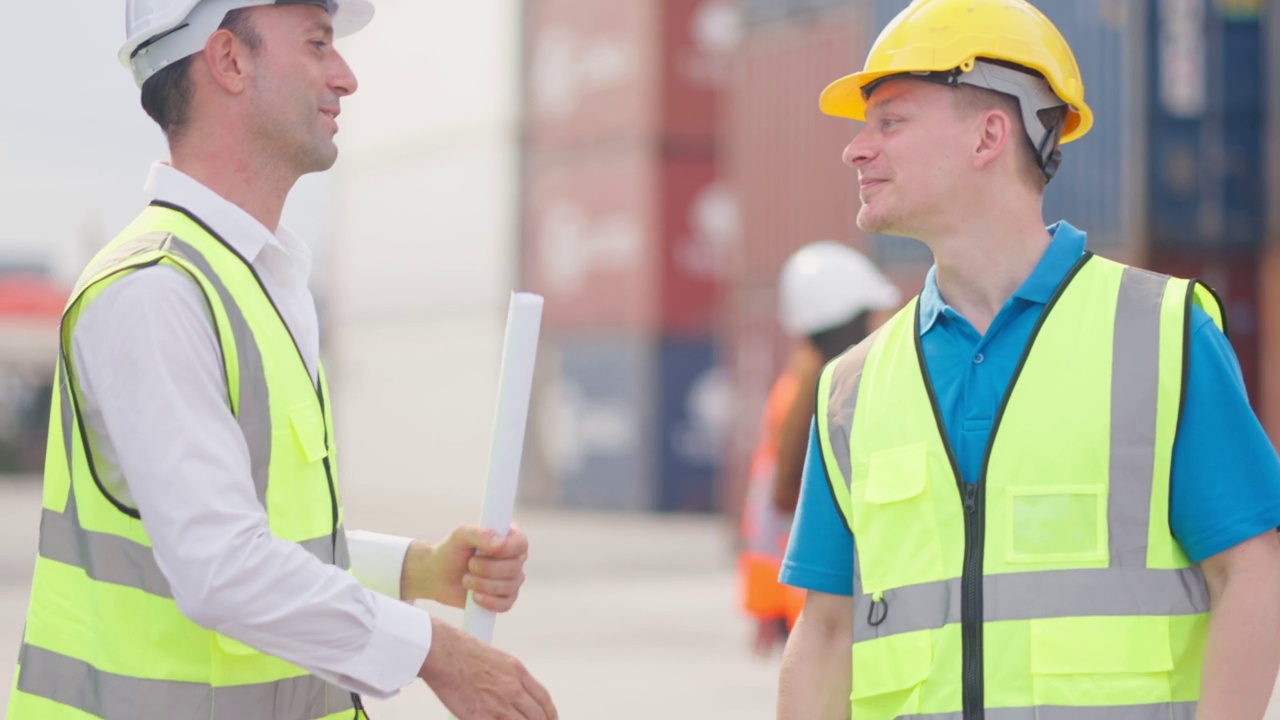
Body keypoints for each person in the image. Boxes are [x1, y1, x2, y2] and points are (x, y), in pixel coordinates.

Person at [7, 2, 557, 719]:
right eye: (319, 44)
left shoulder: (255, 282)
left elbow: (252, 537)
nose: (346, 76)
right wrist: (435, 652)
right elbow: (221, 568)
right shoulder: (153, 293)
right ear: (230, 60)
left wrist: (415, 569)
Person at [776, 1, 1280, 718]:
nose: (857, 148)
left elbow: (1253, 574)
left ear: (989, 135)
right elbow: (825, 632)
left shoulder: (1162, 334)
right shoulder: (851, 389)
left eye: (890, 121)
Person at [737, 241, 899, 655]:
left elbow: (766, 506)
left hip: (809, 608)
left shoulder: (792, 390)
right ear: (850, 321)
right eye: (871, 314)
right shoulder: (847, 394)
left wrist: (766, 604)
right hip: (840, 611)